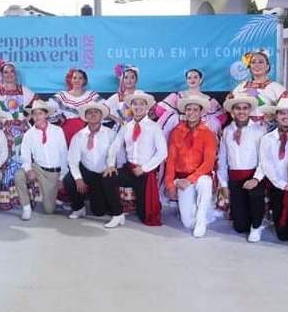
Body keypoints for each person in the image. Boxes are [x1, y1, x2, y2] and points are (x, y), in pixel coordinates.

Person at [244, 97, 288, 251]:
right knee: (281, 234)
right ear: (276, 116)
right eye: (281, 113)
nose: (285, 116)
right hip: (277, 183)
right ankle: (261, 225)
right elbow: (265, 164)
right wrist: (279, 183)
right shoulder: (267, 139)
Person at [0, 59, 37, 210]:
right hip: (3, 132)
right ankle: (5, 199)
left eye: (12, 71)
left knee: (21, 161)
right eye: (6, 72)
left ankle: (22, 198)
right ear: (1, 75)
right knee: (4, 162)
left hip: (21, 133)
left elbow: (37, 104)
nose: (9, 74)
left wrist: (28, 117)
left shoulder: (23, 89)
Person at [107, 91, 167, 227]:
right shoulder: (126, 127)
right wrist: (111, 164)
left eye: (142, 104)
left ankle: (143, 209)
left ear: (147, 108)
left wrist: (144, 168)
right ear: (131, 107)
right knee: (108, 178)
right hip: (130, 169)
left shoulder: (154, 127)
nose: (138, 107)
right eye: (135, 104)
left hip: (145, 172)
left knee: (144, 214)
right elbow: (115, 146)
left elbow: (163, 152)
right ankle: (118, 214)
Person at [217, 92, 268, 241]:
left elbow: (264, 159)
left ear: (250, 110)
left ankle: (257, 225)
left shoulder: (259, 130)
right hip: (235, 178)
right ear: (232, 111)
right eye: (237, 108)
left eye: (245, 108)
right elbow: (223, 158)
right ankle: (246, 219)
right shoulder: (227, 131)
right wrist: (224, 184)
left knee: (255, 197)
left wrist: (257, 179)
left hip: (253, 176)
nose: (241, 111)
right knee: (239, 227)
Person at [165, 95, 218, 238]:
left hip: (201, 176)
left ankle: (201, 220)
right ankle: (201, 210)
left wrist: (191, 179)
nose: (191, 112)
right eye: (189, 109)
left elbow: (209, 163)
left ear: (201, 112)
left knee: (205, 183)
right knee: (187, 223)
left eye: (195, 109)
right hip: (182, 178)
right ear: (185, 112)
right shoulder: (176, 132)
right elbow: (171, 159)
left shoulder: (208, 134)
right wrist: (170, 184)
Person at [64, 101, 124, 225]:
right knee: (69, 180)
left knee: (99, 211)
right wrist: (78, 179)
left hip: (103, 173)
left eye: (96, 112)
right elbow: (72, 160)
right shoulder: (79, 136)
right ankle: (78, 207)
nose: (93, 115)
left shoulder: (110, 134)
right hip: (87, 171)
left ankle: (110, 207)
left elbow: (118, 154)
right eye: (89, 113)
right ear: (85, 117)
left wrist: (114, 168)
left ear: (101, 116)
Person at [14, 100, 68, 220]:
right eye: (34, 114)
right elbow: (25, 154)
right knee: (19, 175)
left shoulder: (57, 131)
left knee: (49, 210)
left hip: (54, 172)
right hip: (38, 168)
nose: (37, 116)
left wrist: (62, 177)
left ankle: (50, 197)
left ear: (46, 115)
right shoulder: (29, 134)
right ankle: (26, 207)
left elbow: (64, 154)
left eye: (40, 113)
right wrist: (28, 170)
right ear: (32, 116)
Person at [226, 50, 288, 128]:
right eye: (253, 62)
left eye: (261, 62)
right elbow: (230, 106)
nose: (257, 65)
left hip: (267, 131)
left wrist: (272, 118)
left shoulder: (277, 88)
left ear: (267, 66)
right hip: (242, 130)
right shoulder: (240, 87)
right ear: (249, 67)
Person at [156, 68, 226, 137]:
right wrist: (181, 118)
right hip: (179, 131)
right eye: (189, 78)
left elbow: (221, 118)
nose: (192, 80)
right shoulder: (177, 96)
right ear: (186, 81)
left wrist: (198, 121)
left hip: (201, 132)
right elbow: (160, 110)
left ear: (201, 80)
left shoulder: (209, 100)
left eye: (195, 77)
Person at [48, 68, 102, 144]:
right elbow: (48, 109)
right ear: (71, 80)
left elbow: (103, 109)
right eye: (74, 78)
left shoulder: (91, 95)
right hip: (68, 130)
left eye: (80, 78)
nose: (77, 80)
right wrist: (59, 116)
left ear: (84, 81)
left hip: (86, 129)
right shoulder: (62, 95)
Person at [104, 64, 139, 130]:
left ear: (136, 80)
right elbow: (102, 111)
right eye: (126, 77)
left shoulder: (140, 94)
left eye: (132, 77)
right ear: (122, 79)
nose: (129, 80)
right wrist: (115, 118)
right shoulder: (117, 96)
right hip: (121, 129)